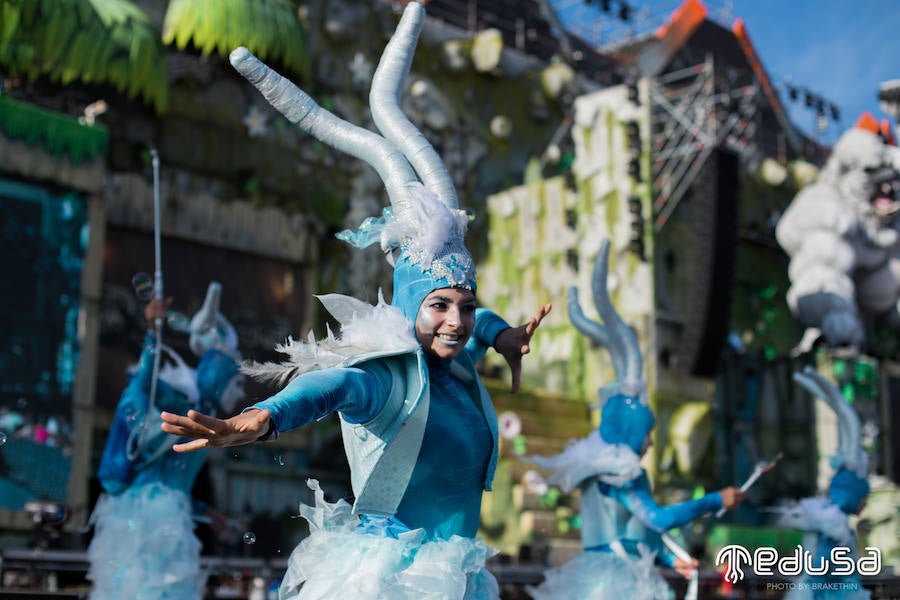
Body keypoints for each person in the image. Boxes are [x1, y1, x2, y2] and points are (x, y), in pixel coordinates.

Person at [161, 3, 550, 598]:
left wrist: (502, 335)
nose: (456, 321)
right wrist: (261, 419)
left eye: (465, 307)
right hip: (393, 582)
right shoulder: (392, 375)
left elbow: (473, 320)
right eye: (440, 306)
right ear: (409, 308)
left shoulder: (456, 356)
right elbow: (334, 388)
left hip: (456, 578)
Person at [526, 240, 744, 600]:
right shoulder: (622, 470)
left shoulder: (596, 463)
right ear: (632, 433)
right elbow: (656, 519)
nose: (650, 443)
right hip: (617, 583)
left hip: (596, 576)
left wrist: (666, 557)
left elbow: (631, 529)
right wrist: (715, 500)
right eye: (648, 434)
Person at [88, 283, 243, 600]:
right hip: (145, 516)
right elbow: (145, 384)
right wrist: (152, 333)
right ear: (220, 375)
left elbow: (175, 476)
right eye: (237, 381)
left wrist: (206, 512)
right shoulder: (185, 403)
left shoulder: (211, 417)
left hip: (175, 516)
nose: (240, 393)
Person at [776, 367, 872, 600]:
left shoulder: (832, 521)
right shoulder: (834, 525)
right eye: (863, 496)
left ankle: (804, 374)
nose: (865, 504)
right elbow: (822, 570)